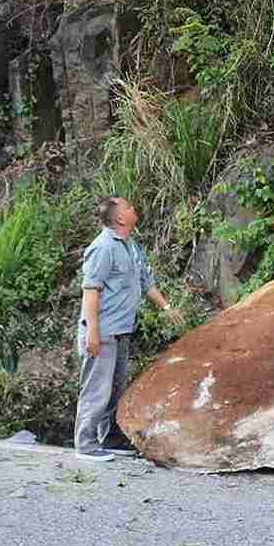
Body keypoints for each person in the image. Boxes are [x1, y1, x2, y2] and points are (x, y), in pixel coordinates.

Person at [74, 196, 183, 462]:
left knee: (115, 389)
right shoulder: (103, 248)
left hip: (122, 329)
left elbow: (146, 283)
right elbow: (91, 291)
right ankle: (85, 444)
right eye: (129, 207)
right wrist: (92, 331)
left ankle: (109, 438)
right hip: (103, 330)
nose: (134, 208)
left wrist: (166, 307)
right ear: (120, 218)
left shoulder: (130, 246)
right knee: (96, 389)